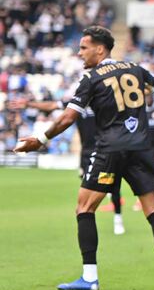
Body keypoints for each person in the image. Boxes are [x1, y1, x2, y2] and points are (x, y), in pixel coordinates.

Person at [15, 26, 154, 290]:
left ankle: (89, 277)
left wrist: (41, 140)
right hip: (141, 149)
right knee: (152, 210)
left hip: (109, 149)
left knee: (84, 208)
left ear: (100, 48)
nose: (80, 52)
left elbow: (68, 117)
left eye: (84, 47)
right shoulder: (136, 69)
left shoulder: (91, 78)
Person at [9, 97, 126, 235]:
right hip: (86, 152)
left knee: (113, 186)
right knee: (86, 186)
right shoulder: (79, 101)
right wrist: (29, 103)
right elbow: (52, 105)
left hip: (105, 151)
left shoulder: (104, 98)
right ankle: (87, 222)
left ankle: (118, 219)